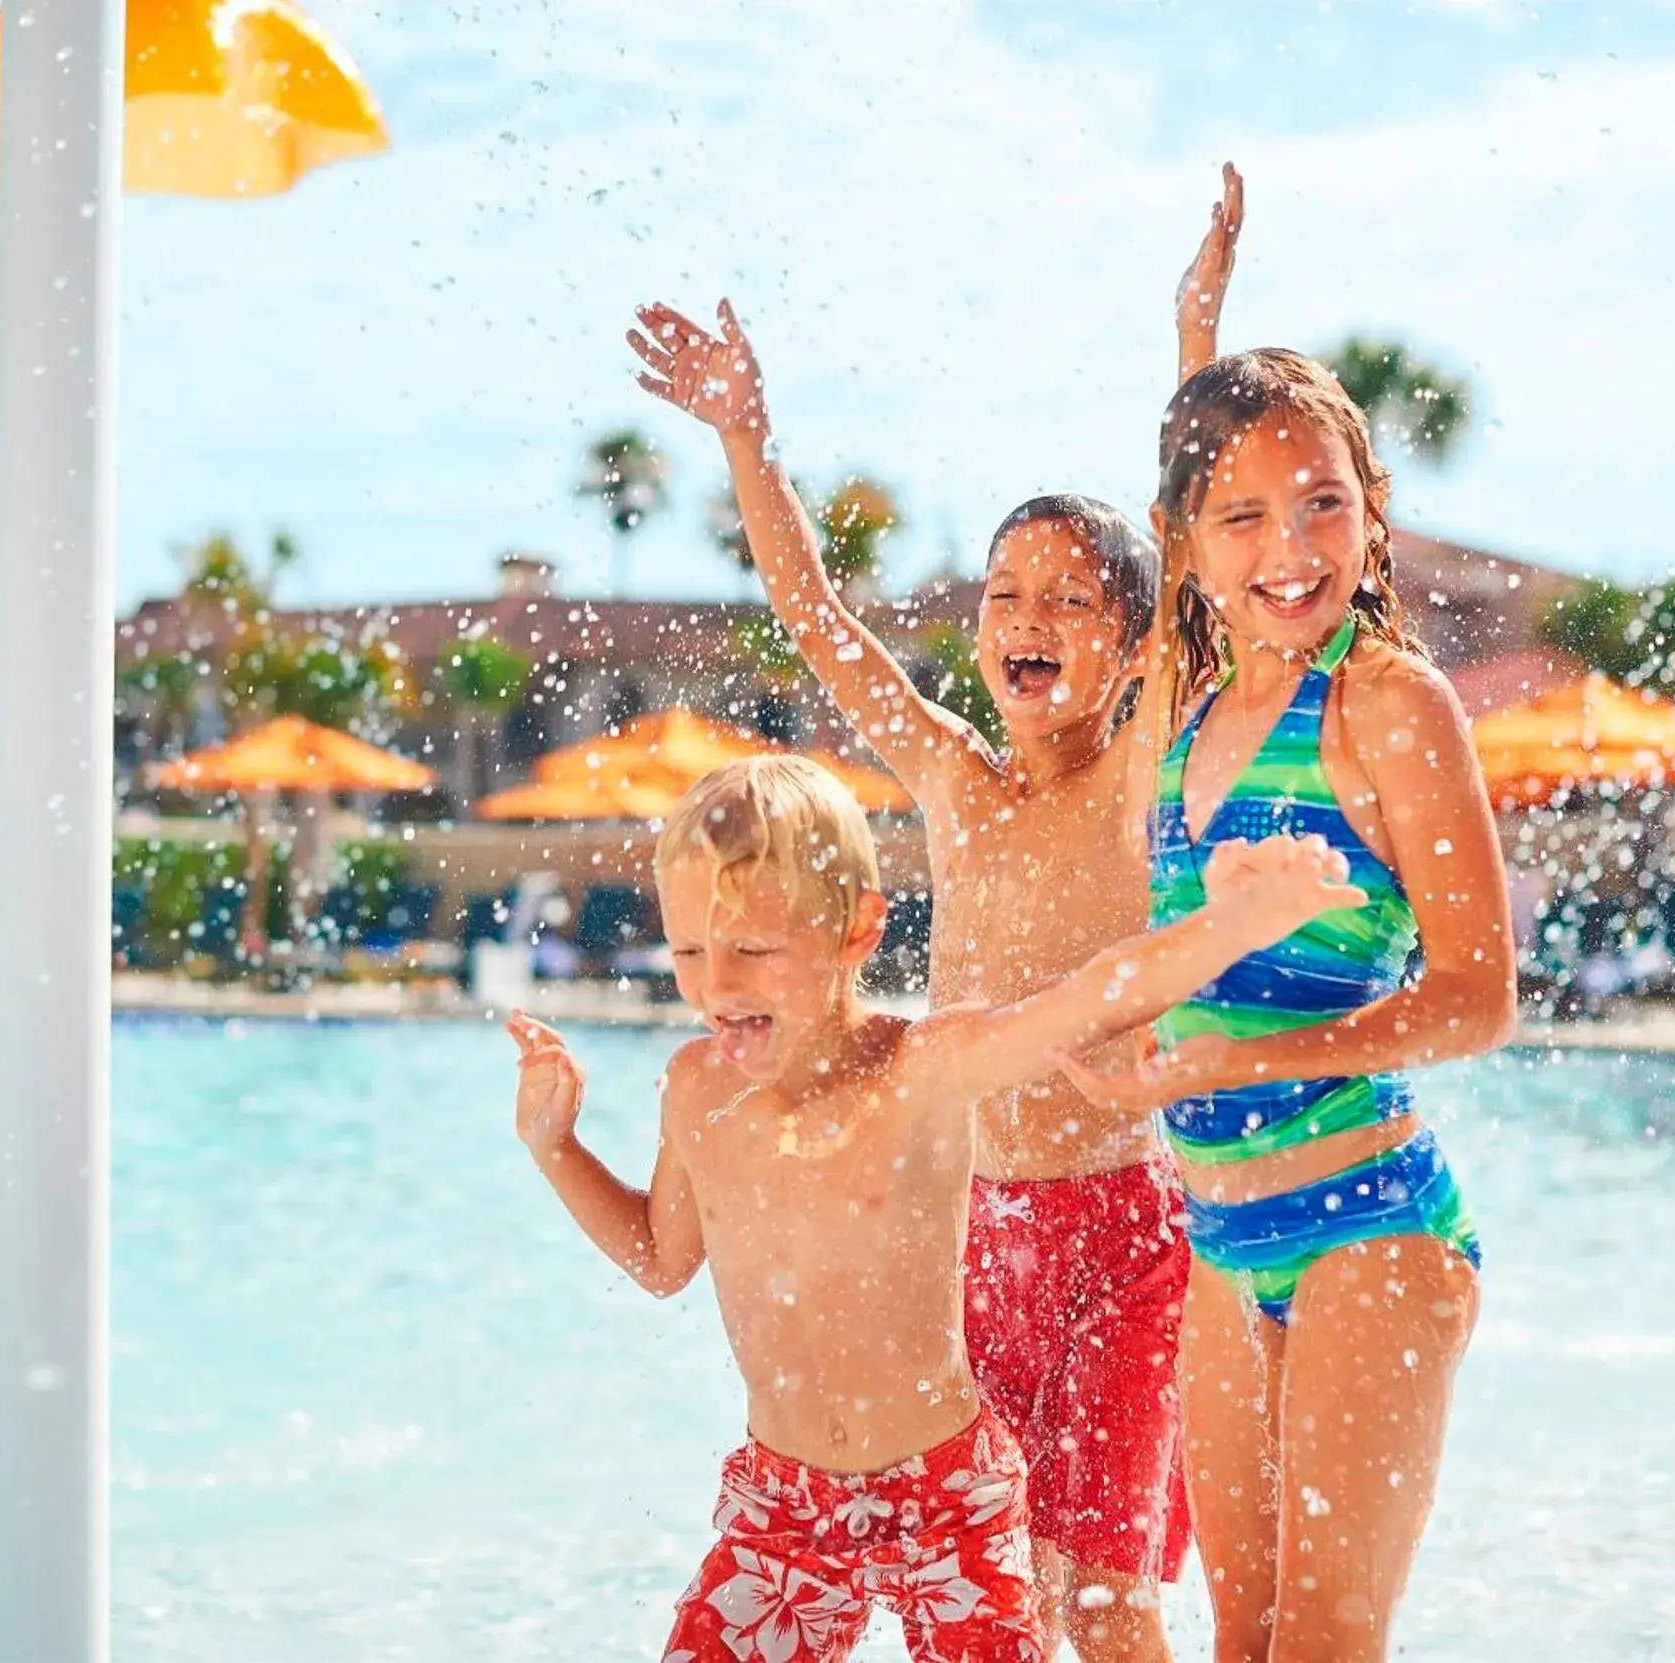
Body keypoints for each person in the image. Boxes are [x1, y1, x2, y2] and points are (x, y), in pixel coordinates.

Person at [622, 172, 1243, 1660]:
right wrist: (743, 440)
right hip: (961, 1230)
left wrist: (1194, 336)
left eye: (1067, 600)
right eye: (1003, 592)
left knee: (1100, 1593)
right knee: (988, 1591)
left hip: (1116, 1221)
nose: (1025, 619)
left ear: (1134, 641)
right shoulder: (953, 782)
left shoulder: (1145, 757)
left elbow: (1201, 559)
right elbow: (817, 620)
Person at [508, 756, 1361, 1663]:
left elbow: (1086, 999)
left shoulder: (922, 1069)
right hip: (782, 1508)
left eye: (752, 949)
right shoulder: (696, 1091)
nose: (717, 982)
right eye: (687, 950)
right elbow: (659, 1258)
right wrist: (556, 1148)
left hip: (946, 1496)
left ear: (855, 929)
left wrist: (1232, 924)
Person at [1051, 337, 1519, 1660]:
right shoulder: (1186, 721)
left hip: (1370, 1227)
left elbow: (1477, 998)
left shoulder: (1385, 704)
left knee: (1319, 1644)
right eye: (1241, 516)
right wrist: (1134, 1041)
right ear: (1183, 541)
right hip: (1219, 1247)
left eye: (1322, 499)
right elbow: (1186, 979)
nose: (1290, 543)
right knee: (1241, 1638)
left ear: (1369, 502)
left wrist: (1220, 1071)